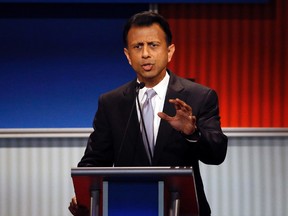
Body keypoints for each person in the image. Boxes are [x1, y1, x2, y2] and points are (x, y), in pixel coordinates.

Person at [69, 11, 228, 216]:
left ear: (169, 51)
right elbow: (94, 161)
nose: (145, 54)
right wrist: (84, 196)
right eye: (138, 46)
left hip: (182, 209)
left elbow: (217, 155)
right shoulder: (111, 103)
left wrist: (192, 133)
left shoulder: (198, 96)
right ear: (128, 56)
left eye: (153, 45)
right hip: (127, 208)